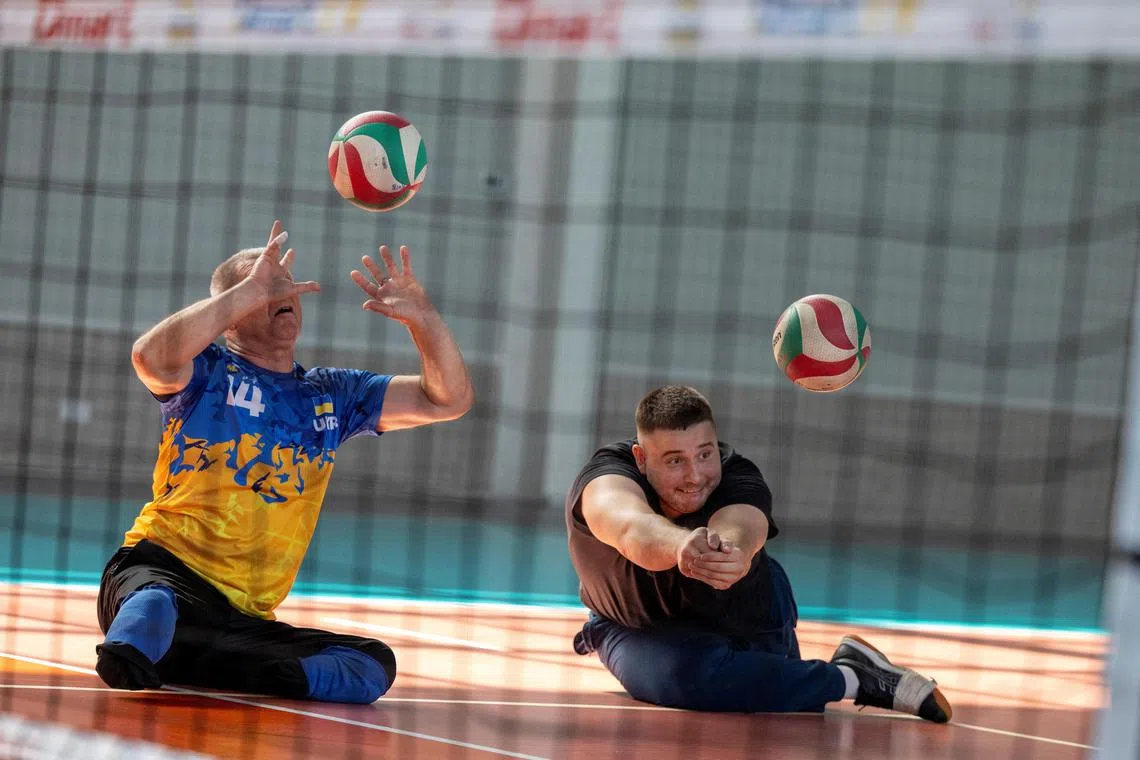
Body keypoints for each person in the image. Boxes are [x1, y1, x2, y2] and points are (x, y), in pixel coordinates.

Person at [95, 220, 474, 704]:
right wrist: (246, 291)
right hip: (158, 570)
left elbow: (447, 401)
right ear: (228, 315)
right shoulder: (208, 373)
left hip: (240, 617)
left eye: (283, 285)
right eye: (262, 287)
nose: (281, 292)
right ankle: (135, 648)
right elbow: (149, 357)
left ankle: (183, 659)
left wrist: (424, 320)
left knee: (371, 665)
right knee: (152, 605)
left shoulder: (333, 394)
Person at [566, 385, 951, 721]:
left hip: (742, 610)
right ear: (641, 458)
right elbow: (631, 527)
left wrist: (728, 551)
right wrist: (682, 545)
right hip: (636, 624)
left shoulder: (740, 476)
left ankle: (805, 669)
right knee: (686, 679)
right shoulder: (607, 479)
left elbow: (744, 526)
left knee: (764, 699)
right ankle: (854, 679)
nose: (695, 475)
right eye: (675, 461)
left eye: (704, 454)